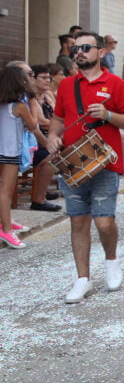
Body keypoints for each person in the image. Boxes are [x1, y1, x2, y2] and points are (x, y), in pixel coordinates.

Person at [46, 31, 124, 302]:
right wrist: (52, 136)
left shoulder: (116, 83)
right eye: (76, 48)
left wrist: (108, 115)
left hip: (105, 163)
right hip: (73, 165)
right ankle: (82, 279)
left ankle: (111, 261)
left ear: (100, 52)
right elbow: (59, 119)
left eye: (86, 47)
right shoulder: (66, 85)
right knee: (78, 222)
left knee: (104, 221)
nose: (80, 52)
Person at [0, 66, 48, 248]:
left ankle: (6, 220)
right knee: (6, 192)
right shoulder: (20, 106)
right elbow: (33, 125)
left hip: (1, 150)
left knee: (3, 190)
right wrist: (34, 104)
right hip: (10, 153)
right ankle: (6, 230)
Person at [28, 64, 61, 211]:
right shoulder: (30, 98)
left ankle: (74, 186)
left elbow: (58, 116)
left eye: (49, 77)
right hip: (33, 140)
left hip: (49, 135)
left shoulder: (47, 95)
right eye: (44, 77)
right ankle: (38, 199)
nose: (48, 80)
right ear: (33, 78)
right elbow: (40, 123)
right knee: (52, 157)